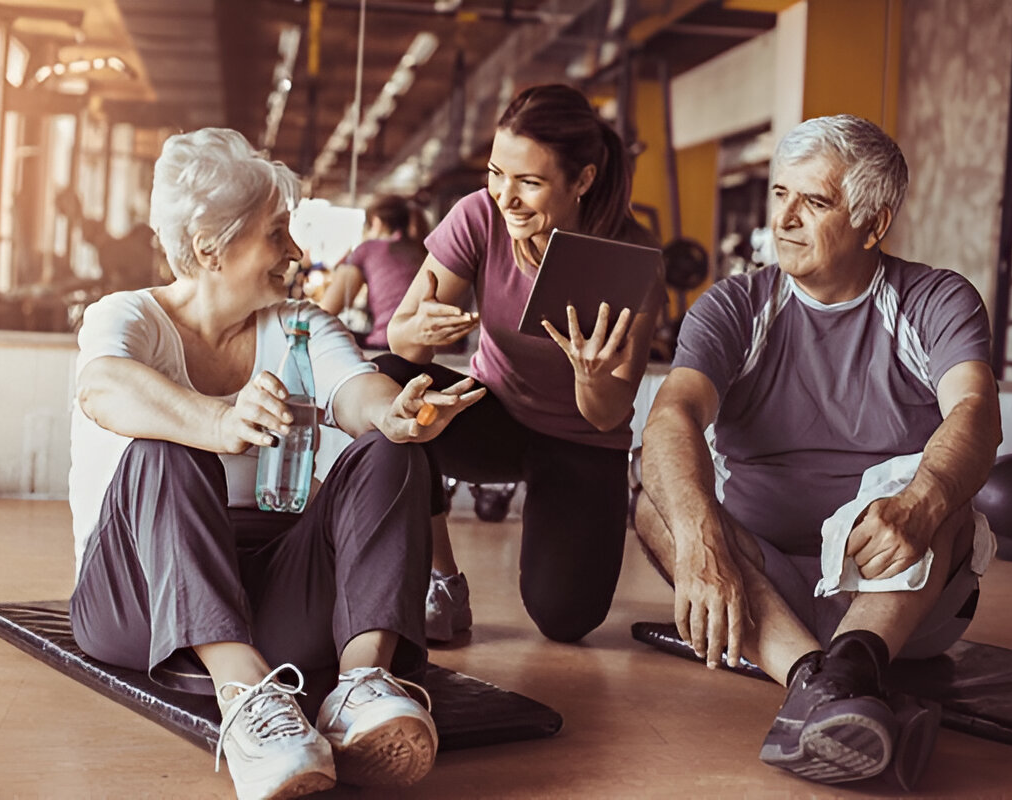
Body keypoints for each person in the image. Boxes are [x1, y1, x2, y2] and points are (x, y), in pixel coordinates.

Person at [67, 128, 484, 799]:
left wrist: (396, 411)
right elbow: (103, 387)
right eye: (277, 233)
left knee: (393, 450)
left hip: (272, 589)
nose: (295, 252)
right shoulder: (128, 317)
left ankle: (360, 688)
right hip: (138, 603)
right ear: (210, 247)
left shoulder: (300, 324)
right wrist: (217, 420)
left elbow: (357, 392)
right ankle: (244, 701)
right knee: (163, 445)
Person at [634, 114, 1002, 789]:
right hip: (760, 593)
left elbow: (976, 413)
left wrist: (921, 501)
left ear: (874, 222)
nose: (786, 218)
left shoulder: (932, 299)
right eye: (780, 195)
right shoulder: (735, 305)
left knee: (942, 491)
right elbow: (671, 418)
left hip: (896, 592)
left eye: (815, 201)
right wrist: (701, 539)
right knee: (659, 506)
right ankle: (823, 683)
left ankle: (855, 661)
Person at [380, 83, 664, 644]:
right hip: (494, 418)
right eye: (496, 173)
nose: (504, 196)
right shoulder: (478, 217)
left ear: (582, 180)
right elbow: (401, 347)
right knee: (387, 381)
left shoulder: (630, 258)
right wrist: (420, 331)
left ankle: (557, 521)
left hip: (583, 443)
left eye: (529, 183)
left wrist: (589, 374)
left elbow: (608, 416)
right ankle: (444, 583)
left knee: (566, 619)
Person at [319, 194, 429, 350]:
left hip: (390, 345)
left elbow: (328, 310)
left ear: (376, 222)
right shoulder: (423, 251)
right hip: (438, 347)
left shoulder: (369, 248)